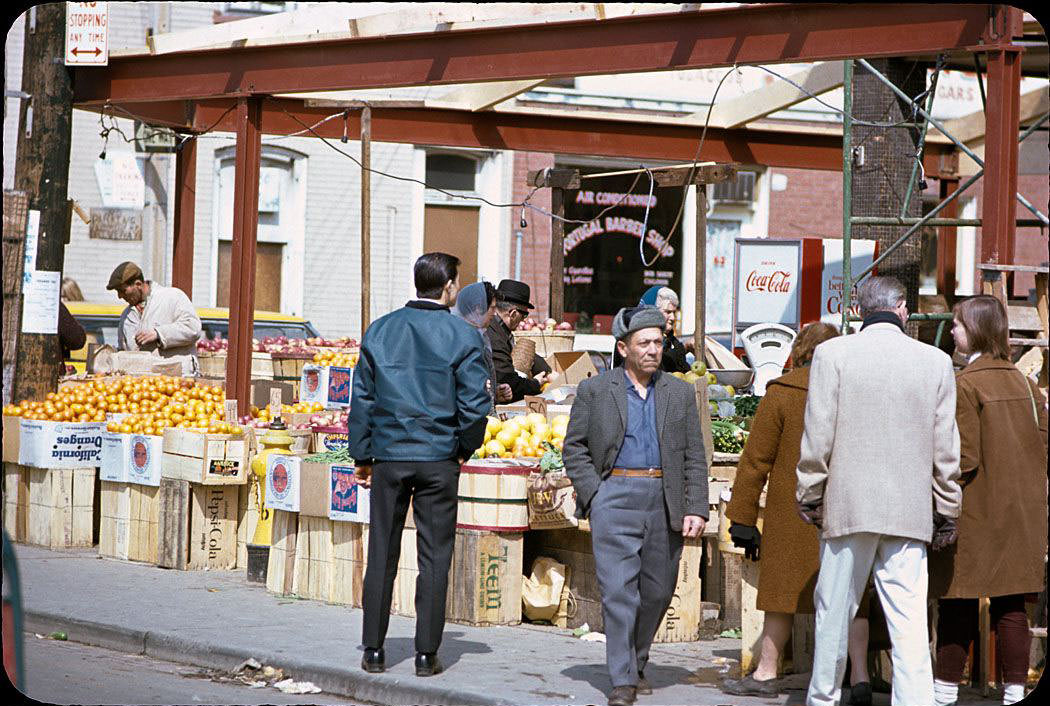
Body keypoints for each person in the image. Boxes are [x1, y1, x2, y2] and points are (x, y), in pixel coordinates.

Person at [796, 275, 962, 706]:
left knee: (834, 614)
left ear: (858, 311)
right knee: (908, 622)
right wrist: (948, 507)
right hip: (908, 509)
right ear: (903, 310)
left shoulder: (832, 355)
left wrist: (810, 491)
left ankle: (823, 699)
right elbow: (946, 449)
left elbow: (817, 436)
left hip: (848, 504)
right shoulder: (935, 362)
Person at [349, 252, 491, 678]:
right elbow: (475, 404)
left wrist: (362, 453)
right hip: (438, 458)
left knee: (382, 553)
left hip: (390, 456)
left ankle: (373, 649)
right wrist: (464, 447)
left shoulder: (380, 330)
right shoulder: (461, 335)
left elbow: (363, 399)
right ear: (448, 287)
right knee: (434, 557)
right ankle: (427, 655)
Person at [563, 305, 708, 706]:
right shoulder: (596, 390)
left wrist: (696, 506)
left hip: (664, 499)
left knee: (658, 591)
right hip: (615, 497)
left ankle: (637, 658)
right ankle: (622, 678)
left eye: (658, 343)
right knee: (618, 593)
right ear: (623, 348)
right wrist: (595, 493)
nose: (653, 350)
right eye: (644, 343)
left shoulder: (678, 392)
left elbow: (695, 455)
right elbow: (573, 449)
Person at [722, 322, 873, 706]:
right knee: (853, 595)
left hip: (794, 513)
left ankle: (767, 671)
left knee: (781, 594)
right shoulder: (855, 393)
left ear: (799, 352)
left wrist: (740, 517)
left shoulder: (782, 393)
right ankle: (859, 677)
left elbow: (756, 460)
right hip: (846, 508)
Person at [929, 295, 1048, 706]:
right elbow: (1044, 444)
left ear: (976, 329)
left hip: (976, 511)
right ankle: (1015, 692)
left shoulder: (966, 385)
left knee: (958, 599)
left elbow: (964, 458)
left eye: (958, 324)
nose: (954, 330)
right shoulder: (1027, 385)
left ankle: (944, 692)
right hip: (1023, 513)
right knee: (1012, 605)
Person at [106, 261, 202, 375]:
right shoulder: (126, 316)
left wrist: (159, 334)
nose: (120, 296)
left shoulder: (172, 296)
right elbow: (124, 350)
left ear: (138, 284)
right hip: (143, 386)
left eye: (122, 290)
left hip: (178, 378)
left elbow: (193, 328)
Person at [486, 279, 551, 402]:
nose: (524, 320)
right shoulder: (493, 335)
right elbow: (509, 381)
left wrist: (546, 370)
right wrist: (536, 384)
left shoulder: (501, 329)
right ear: (513, 313)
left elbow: (520, 351)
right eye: (524, 315)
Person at [453, 281, 513, 409]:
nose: (495, 313)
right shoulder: (462, 338)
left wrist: (494, 394)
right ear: (478, 308)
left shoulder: (483, 334)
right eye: (492, 308)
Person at [612, 287, 689, 373]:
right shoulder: (630, 337)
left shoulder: (670, 339)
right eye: (667, 312)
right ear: (651, 311)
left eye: (674, 312)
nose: (673, 318)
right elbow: (653, 366)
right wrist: (685, 348)